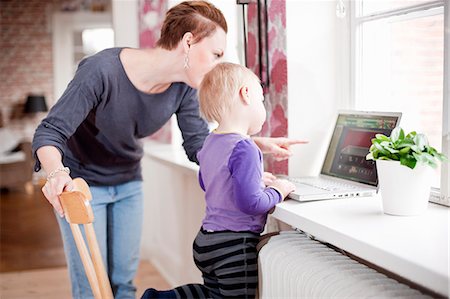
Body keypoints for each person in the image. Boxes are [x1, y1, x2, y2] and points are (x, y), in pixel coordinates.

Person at [32, 1, 302, 298]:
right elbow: (50, 131)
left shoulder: (184, 87)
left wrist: (246, 145)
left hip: (128, 181)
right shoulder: (101, 70)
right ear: (188, 41)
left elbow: (198, 146)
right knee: (90, 286)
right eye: (215, 54)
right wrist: (57, 173)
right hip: (82, 182)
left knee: (122, 283)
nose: (218, 66)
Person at [142, 62, 296, 299]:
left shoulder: (211, 142)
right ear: (246, 94)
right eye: (261, 99)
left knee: (212, 294)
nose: (262, 106)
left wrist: (251, 179)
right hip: (233, 246)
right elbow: (250, 203)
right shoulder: (245, 147)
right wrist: (278, 189)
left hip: (207, 240)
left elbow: (209, 181)